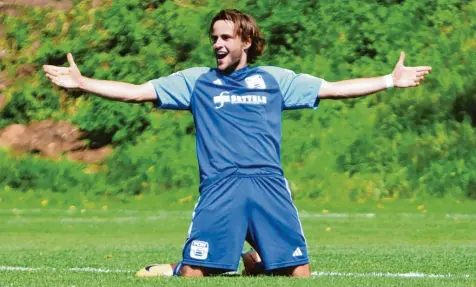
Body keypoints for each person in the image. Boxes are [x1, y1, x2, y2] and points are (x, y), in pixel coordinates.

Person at [43, 9, 431, 278]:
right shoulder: (196, 81)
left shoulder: (274, 80)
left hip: (268, 184)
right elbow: (135, 92)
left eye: (225, 37)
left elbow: (333, 89)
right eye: (214, 38)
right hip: (221, 185)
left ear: (246, 40)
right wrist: (84, 83)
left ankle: (257, 261)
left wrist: (387, 80)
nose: (217, 44)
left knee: (300, 272)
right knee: (195, 272)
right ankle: (177, 267)